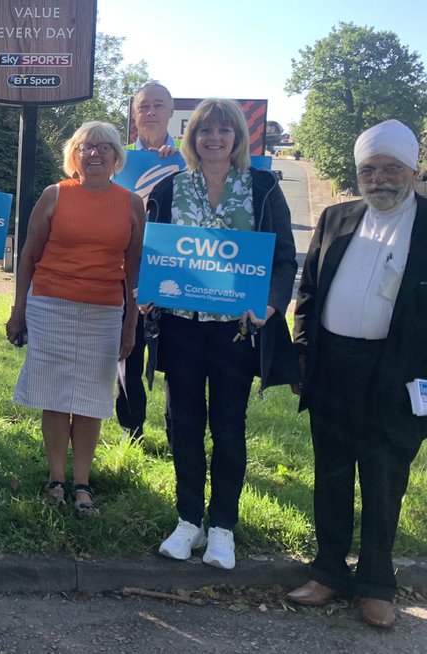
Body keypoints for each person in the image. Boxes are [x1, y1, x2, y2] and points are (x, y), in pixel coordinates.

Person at [286, 120, 426, 628]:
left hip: (400, 373)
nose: (380, 179)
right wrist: (302, 354)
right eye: (369, 169)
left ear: (412, 169)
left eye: (391, 168)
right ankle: (327, 572)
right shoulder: (336, 217)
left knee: (385, 479)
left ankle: (376, 585)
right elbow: (307, 294)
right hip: (333, 367)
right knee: (332, 474)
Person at [149, 99, 297, 570]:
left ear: (238, 137)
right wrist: (148, 289)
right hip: (181, 328)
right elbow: (154, 253)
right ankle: (188, 519)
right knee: (184, 425)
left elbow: (285, 259)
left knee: (229, 429)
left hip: (237, 333)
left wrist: (271, 305)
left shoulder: (262, 187)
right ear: (191, 137)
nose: (214, 138)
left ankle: (223, 529)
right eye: (204, 130)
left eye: (223, 130)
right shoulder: (171, 188)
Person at [5, 122, 144, 518]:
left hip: (104, 312)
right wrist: (18, 311)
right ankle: (56, 478)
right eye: (86, 147)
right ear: (74, 155)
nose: (95, 154)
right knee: (54, 395)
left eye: (103, 147)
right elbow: (28, 256)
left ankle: (82, 483)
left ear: (116, 155)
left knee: (90, 399)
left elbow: (133, 270)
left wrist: (130, 323)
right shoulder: (54, 196)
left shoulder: (132, 204)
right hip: (50, 307)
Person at [118, 82, 179, 443]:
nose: (151, 112)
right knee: (128, 350)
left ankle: (176, 433)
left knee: (177, 355)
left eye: (159, 105)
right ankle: (132, 430)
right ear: (134, 113)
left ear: (171, 111)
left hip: (177, 268)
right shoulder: (116, 159)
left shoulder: (189, 160)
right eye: (144, 106)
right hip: (125, 267)